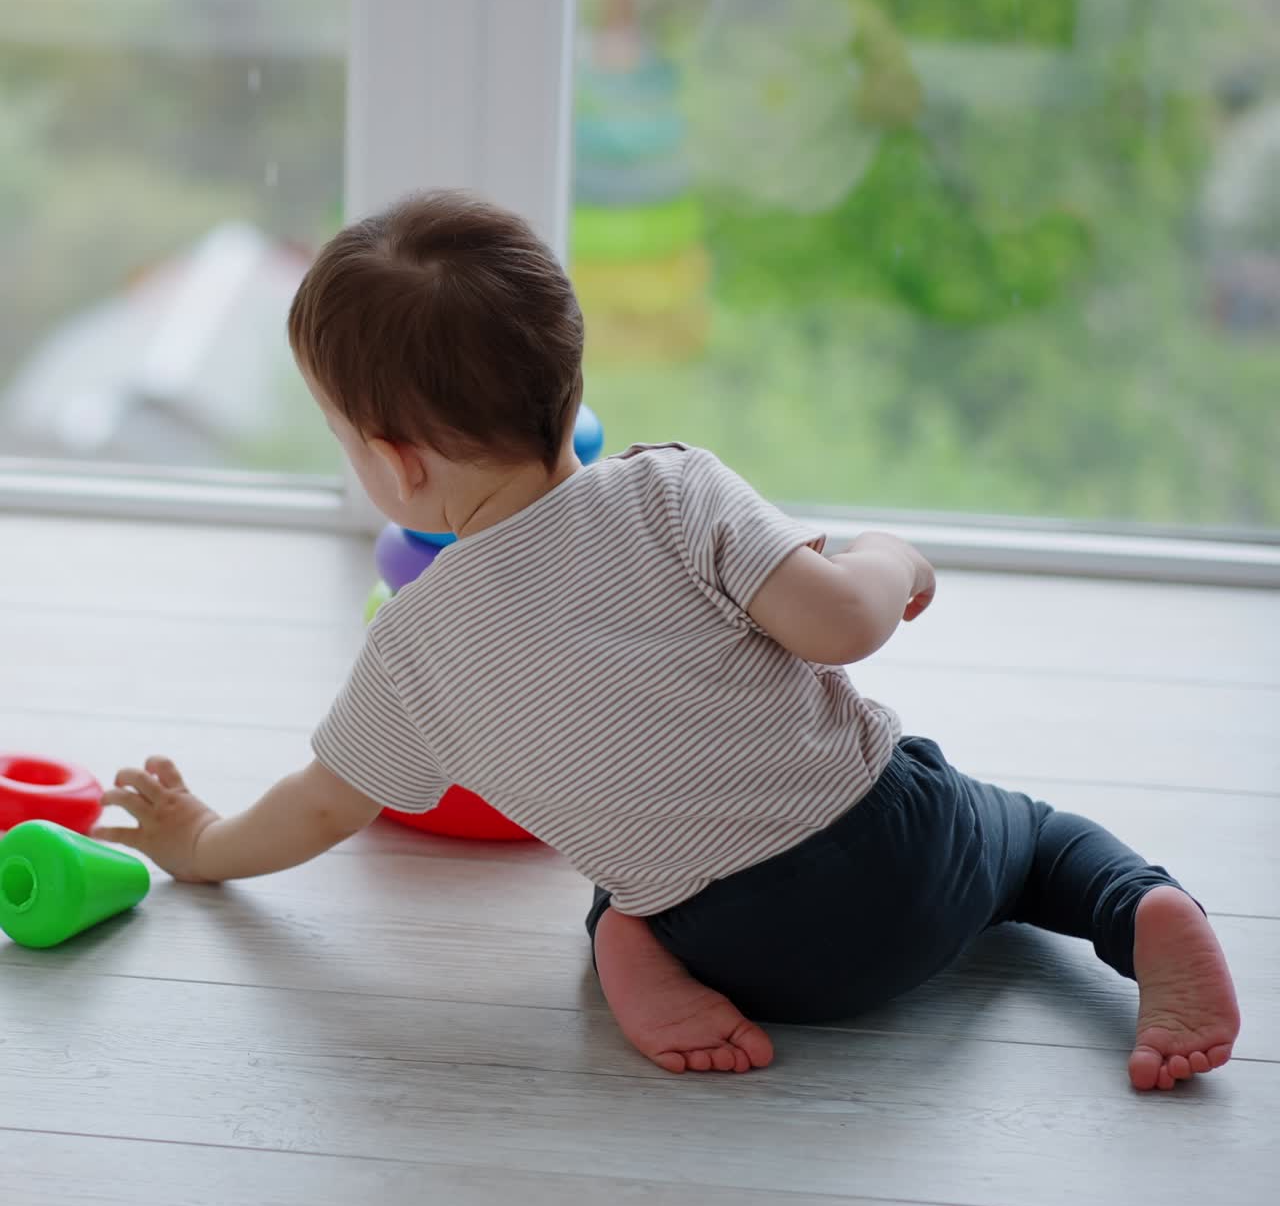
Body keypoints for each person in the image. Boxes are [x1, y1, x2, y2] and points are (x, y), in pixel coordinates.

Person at [96, 191, 1240, 1091]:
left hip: (742, 946)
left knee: (624, 880)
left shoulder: (414, 649)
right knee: (1032, 839)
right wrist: (892, 554)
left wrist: (199, 842)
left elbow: (318, 806)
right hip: (901, 858)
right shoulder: (669, 490)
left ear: (397, 461)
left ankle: (635, 955)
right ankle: (1137, 911)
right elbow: (840, 623)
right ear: (571, 375)